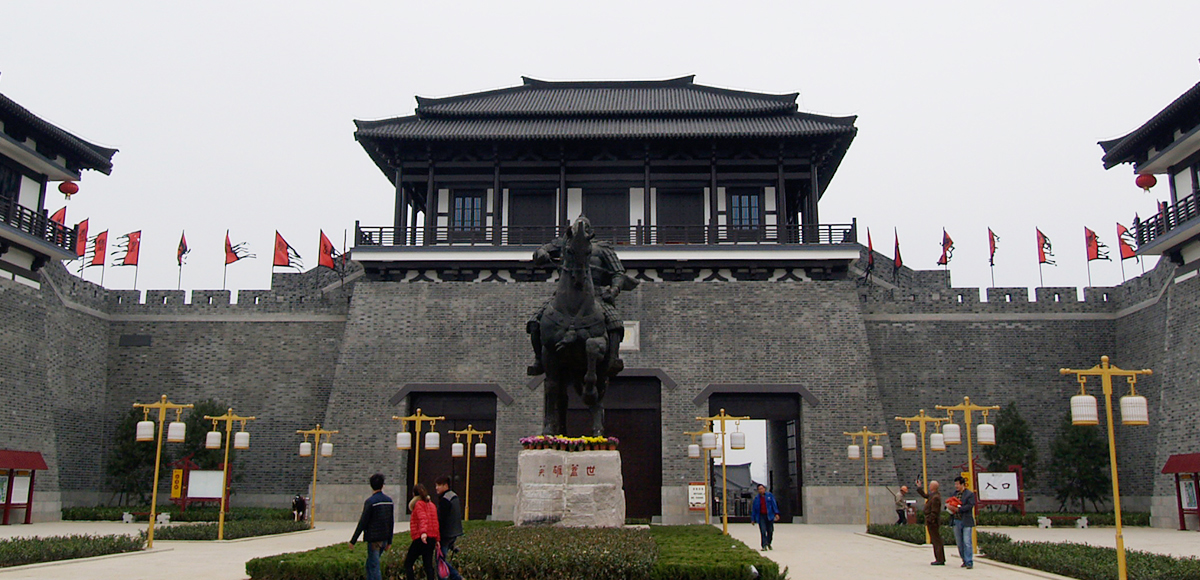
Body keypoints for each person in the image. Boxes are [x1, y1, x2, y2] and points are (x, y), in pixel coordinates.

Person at [525, 218, 639, 377]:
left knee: (615, 322)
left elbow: (618, 273)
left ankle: (613, 358)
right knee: (534, 321)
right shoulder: (562, 244)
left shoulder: (602, 249)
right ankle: (539, 360)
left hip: (596, 295)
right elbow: (540, 252)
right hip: (564, 294)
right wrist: (541, 253)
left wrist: (613, 290)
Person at [349, 473, 395, 580]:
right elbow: (391, 521)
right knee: (370, 565)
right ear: (382, 485)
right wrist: (390, 541)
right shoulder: (389, 501)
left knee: (374, 567)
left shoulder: (370, 502)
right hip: (384, 538)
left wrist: (353, 540)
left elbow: (363, 522)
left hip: (374, 540)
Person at [402, 484, 440, 580]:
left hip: (421, 538)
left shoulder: (419, 504)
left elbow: (422, 518)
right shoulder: (432, 505)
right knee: (428, 565)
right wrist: (437, 539)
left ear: (414, 494)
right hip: (432, 538)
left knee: (408, 563)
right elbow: (435, 523)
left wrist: (423, 532)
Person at [435, 476, 464, 580]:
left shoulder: (445, 500)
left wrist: (437, 536)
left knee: (440, 561)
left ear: (446, 485)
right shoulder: (454, 496)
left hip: (445, 534)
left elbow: (441, 519)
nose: (436, 488)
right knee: (442, 559)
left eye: (439, 485)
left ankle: (457, 577)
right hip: (454, 533)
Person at [949, 476, 977, 569]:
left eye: (957, 484)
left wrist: (959, 509)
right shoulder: (955, 494)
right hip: (956, 520)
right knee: (959, 542)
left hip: (966, 521)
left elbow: (970, 505)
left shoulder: (969, 494)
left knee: (967, 541)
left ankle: (969, 561)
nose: (956, 486)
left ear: (962, 484)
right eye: (955, 484)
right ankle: (964, 560)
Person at [915, 478, 945, 566]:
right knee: (935, 540)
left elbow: (935, 511)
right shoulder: (933, 495)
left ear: (933, 487)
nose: (929, 486)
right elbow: (925, 495)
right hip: (931, 521)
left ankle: (940, 559)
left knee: (936, 540)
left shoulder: (936, 497)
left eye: (930, 485)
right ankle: (939, 558)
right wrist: (919, 487)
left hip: (933, 522)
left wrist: (930, 519)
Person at [749, 483, 780, 551]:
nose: (761, 490)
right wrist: (753, 519)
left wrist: (776, 513)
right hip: (761, 516)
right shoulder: (756, 499)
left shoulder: (769, 496)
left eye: (762, 488)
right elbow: (754, 509)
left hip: (769, 515)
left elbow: (774, 504)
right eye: (759, 489)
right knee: (763, 531)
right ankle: (764, 545)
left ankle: (768, 543)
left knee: (770, 531)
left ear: (764, 489)